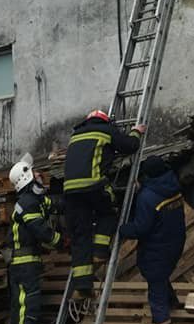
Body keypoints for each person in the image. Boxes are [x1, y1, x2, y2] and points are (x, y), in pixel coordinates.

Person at [63, 110, 146, 301]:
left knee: (81, 235)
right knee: (108, 212)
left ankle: (83, 286)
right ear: (105, 120)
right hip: (93, 186)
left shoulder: (75, 135)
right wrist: (136, 131)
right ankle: (100, 251)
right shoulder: (106, 130)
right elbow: (130, 146)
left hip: (70, 193)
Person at [119, 155, 186, 324]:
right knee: (161, 273)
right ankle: (173, 300)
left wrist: (121, 228)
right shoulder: (173, 185)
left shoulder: (148, 197)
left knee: (156, 300)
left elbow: (140, 229)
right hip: (174, 245)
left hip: (156, 252)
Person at [8, 152, 62, 324]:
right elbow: (40, 230)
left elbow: (51, 205)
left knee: (19, 305)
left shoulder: (33, 200)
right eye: (36, 173)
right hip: (25, 264)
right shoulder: (28, 202)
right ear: (27, 178)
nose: (40, 175)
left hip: (23, 263)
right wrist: (61, 241)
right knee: (28, 304)